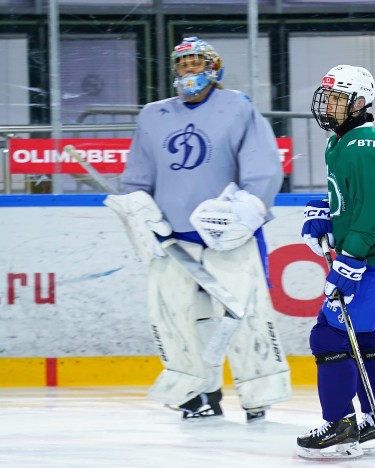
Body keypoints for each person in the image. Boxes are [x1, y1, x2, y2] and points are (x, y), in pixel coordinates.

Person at [104, 37, 291, 422]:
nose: (190, 71)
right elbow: (136, 180)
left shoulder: (237, 107)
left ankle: (258, 392)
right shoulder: (153, 116)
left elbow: (263, 167)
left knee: (246, 315)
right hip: (174, 241)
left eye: (197, 63)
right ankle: (196, 393)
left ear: (214, 67)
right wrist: (140, 212)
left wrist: (247, 209)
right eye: (183, 65)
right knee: (178, 321)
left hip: (229, 239)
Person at [297, 65, 375, 459]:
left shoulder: (363, 148)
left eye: (338, 98)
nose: (329, 104)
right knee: (365, 339)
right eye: (327, 96)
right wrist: (328, 210)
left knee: (329, 336)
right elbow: (357, 200)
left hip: (374, 259)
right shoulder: (343, 141)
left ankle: (341, 428)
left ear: (360, 102)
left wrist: (351, 259)